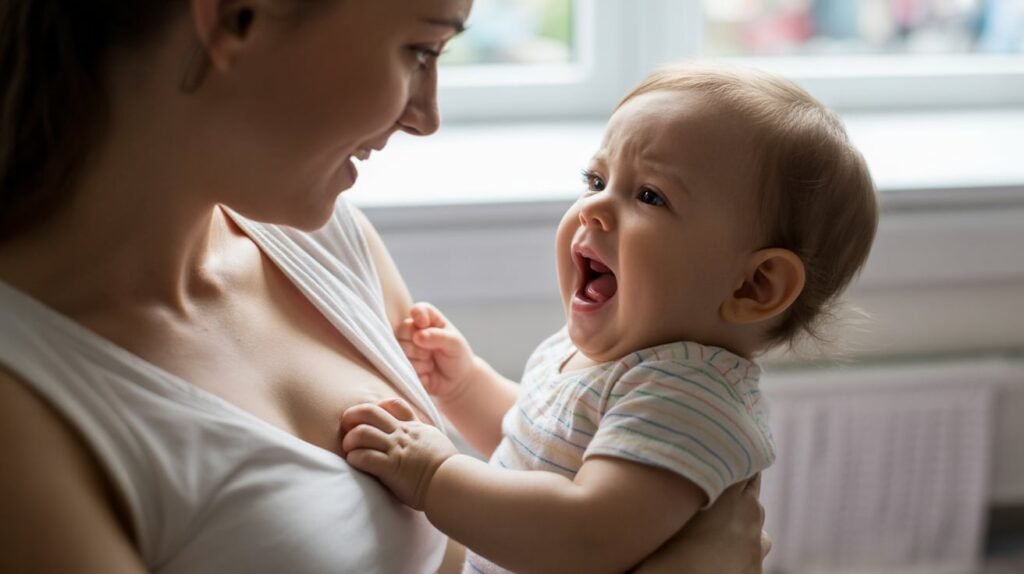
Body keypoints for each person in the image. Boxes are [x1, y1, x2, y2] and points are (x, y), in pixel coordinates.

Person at [0, 1, 770, 572]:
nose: (426, 115)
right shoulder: (27, 419)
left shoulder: (320, 238)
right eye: (419, 48)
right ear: (235, 17)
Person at [340, 63, 880, 573]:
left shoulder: (690, 398)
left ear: (753, 285)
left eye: (649, 195)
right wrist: (465, 386)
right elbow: (544, 453)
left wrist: (434, 475)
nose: (592, 208)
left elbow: (581, 535)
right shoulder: (615, 358)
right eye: (596, 181)